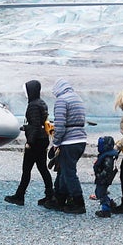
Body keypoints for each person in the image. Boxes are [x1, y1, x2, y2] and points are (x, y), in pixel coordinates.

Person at [5, 79, 53, 206]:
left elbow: (35, 125)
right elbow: (39, 123)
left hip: (35, 141)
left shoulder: (33, 105)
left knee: (27, 169)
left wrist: (29, 142)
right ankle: (50, 195)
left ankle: (19, 196)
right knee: (42, 168)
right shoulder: (42, 103)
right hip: (43, 139)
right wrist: (27, 128)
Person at [48, 78, 88, 214]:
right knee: (65, 171)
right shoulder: (77, 98)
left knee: (69, 173)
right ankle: (59, 199)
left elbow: (59, 125)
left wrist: (55, 143)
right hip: (81, 139)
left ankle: (78, 202)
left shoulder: (61, 100)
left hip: (69, 141)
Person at [92, 135, 120, 217]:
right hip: (103, 178)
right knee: (100, 192)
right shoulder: (107, 156)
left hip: (103, 179)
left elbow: (107, 169)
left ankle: (106, 210)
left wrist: (100, 175)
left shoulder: (107, 158)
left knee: (100, 193)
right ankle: (110, 204)